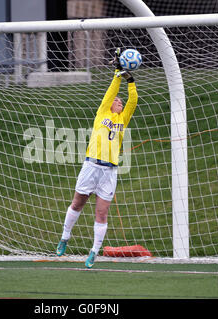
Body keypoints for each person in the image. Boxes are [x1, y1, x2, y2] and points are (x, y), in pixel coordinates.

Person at [56, 48, 138, 268]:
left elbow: (134, 99)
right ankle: (65, 236)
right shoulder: (103, 113)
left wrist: (130, 80)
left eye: (121, 102)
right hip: (91, 165)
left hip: (109, 171)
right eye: (116, 100)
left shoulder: (123, 119)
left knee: (101, 214)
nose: (119, 102)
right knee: (77, 202)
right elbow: (112, 92)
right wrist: (117, 74)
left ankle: (93, 252)